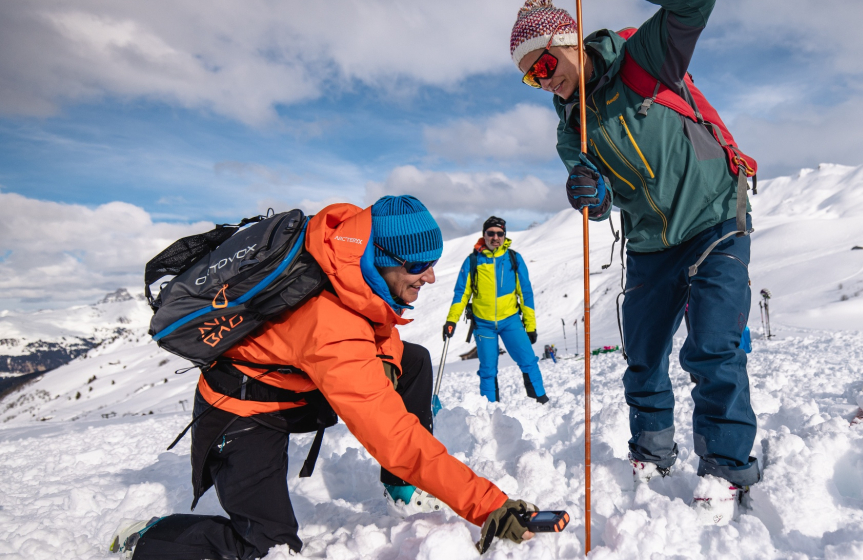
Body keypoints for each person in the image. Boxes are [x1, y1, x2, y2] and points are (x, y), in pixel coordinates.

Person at [111, 197, 543, 558]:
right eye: (418, 266)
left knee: (411, 360)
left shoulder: (349, 255)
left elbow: (379, 329)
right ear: (384, 260)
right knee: (266, 544)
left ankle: (401, 487)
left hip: (297, 381)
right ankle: (150, 538)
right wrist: (491, 507)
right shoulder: (332, 328)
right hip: (242, 410)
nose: (430, 276)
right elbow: (395, 440)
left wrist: (389, 371)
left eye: (432, 264)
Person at [509, 0, 759, 524]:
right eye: (531, 78)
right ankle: (652, 452)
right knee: (643, 355)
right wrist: (590, 195)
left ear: (570, 43)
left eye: (545, 65)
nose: (543, 81)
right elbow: (599, 207)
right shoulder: (571, 131)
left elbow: (690, 11)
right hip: (650, 243)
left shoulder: (641, 59)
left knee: (712, 348)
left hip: (714, 216)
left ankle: (726, 468)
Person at [443, 216, 548, 404]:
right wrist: (451, 320)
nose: (495, 237)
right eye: (491, 233)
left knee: (528, 361)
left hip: (511, 322)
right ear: (484, 235)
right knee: (488, 370)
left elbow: (525, 294)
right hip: (483, 325)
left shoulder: (513, 259)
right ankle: (491, 411)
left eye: (500, 233)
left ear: (504, 236)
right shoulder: (473, 261)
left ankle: (540, 401)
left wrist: (530, 326)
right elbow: (461, 294)